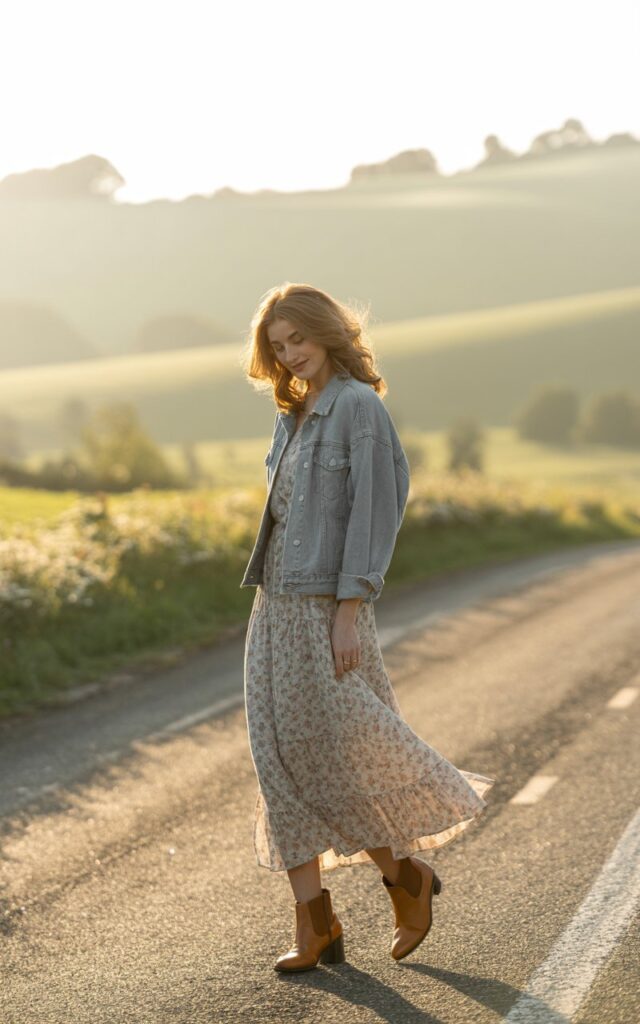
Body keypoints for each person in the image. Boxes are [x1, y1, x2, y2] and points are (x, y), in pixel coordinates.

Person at [240, 282, 495, 972]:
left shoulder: (357, 409)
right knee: (277, 761)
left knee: (336, 754)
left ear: (328, 332)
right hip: (274, 609)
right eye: (278, 345)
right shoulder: (292, 412)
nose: (290, 356)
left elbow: (375, 512)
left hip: (326, 610)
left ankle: (404, 876)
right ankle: (314, 924)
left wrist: (349, 611)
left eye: (299, 339)